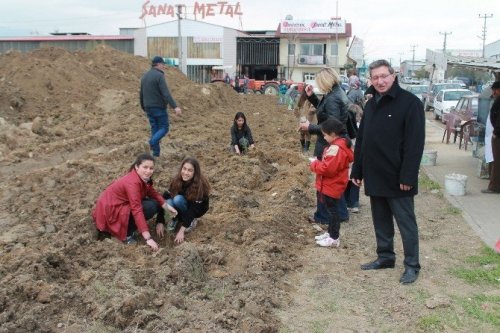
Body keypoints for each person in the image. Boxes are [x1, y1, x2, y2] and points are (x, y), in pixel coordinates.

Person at [351, 59, 425, 284]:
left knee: (406, 223)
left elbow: (415, 143)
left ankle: (412, 265)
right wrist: (358, 169)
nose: (380, 81)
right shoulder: (372, 104)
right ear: (370, 80)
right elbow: (363, 139)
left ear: (393, 76)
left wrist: (408, 176)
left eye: (384, 76)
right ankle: (385, 257)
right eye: (375, 78)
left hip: (398, 177)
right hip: (375, 174)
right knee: (380, 220)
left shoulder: (410, 103)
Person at [92, 153, 178, 251]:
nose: (148, 171)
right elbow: (137, 210)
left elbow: (152, 192)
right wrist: (148, 238)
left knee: (154, 203)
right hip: (110, 211)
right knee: (150, 207)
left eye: (151, 168)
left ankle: (129, 228)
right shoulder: (132, 183)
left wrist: (166, 206)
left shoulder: (141, 178)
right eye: (145, 167)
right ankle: (127, 235)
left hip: (118, 204)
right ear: (137, 167)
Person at [298, 67, 350, 225]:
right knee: (332, 181)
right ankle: (339, 213)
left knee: (325, 182)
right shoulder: (335, 93)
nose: (318, 85)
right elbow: (325, 111)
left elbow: (333, 125)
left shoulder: (333, 97)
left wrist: (310, 127)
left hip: (327, 143)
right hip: (331, 141)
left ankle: (323, 216)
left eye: (320, 82)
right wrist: (311, 97)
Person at [310, 118, 354, 247]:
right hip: (331, 184)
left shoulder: (336, 148)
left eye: (325, 134)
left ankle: (334, 238)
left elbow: (328, 169)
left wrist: (314, 164)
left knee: (333, 212)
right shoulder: (337, 145)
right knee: (331, 211)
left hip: (332, 185)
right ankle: (330, 233)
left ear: (333, 134)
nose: (323, 137)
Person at [161, 157, 211, 244]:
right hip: (184, 204)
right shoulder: (177, 180)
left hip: (196, 210)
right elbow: (165, 196)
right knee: (168, 202)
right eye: (184, 169)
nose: (185, 173)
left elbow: (193, 210)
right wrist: (160, 221)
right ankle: (175, 218)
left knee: (177, 199)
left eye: (190, 170)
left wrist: (181, 231)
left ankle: (191, 221)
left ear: (195, 173)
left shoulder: (200, 185)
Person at [140, 56, 182, 157]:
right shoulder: (159, 76)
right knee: (164, 127)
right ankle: (150, 143)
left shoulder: (144, 76)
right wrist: (175, 107)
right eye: (163, 64)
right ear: (158, 64)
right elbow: (166, 93)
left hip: (148, 107)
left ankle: (156, 154)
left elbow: (141, 93)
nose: (164, 66)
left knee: (155, 129)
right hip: (158, 107)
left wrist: (143, 107)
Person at [481, 80, 500, 193]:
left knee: (497, 161)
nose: (493, 94)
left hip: (498, 136)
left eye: (494, 91)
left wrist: (496, 132)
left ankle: (495, 187)